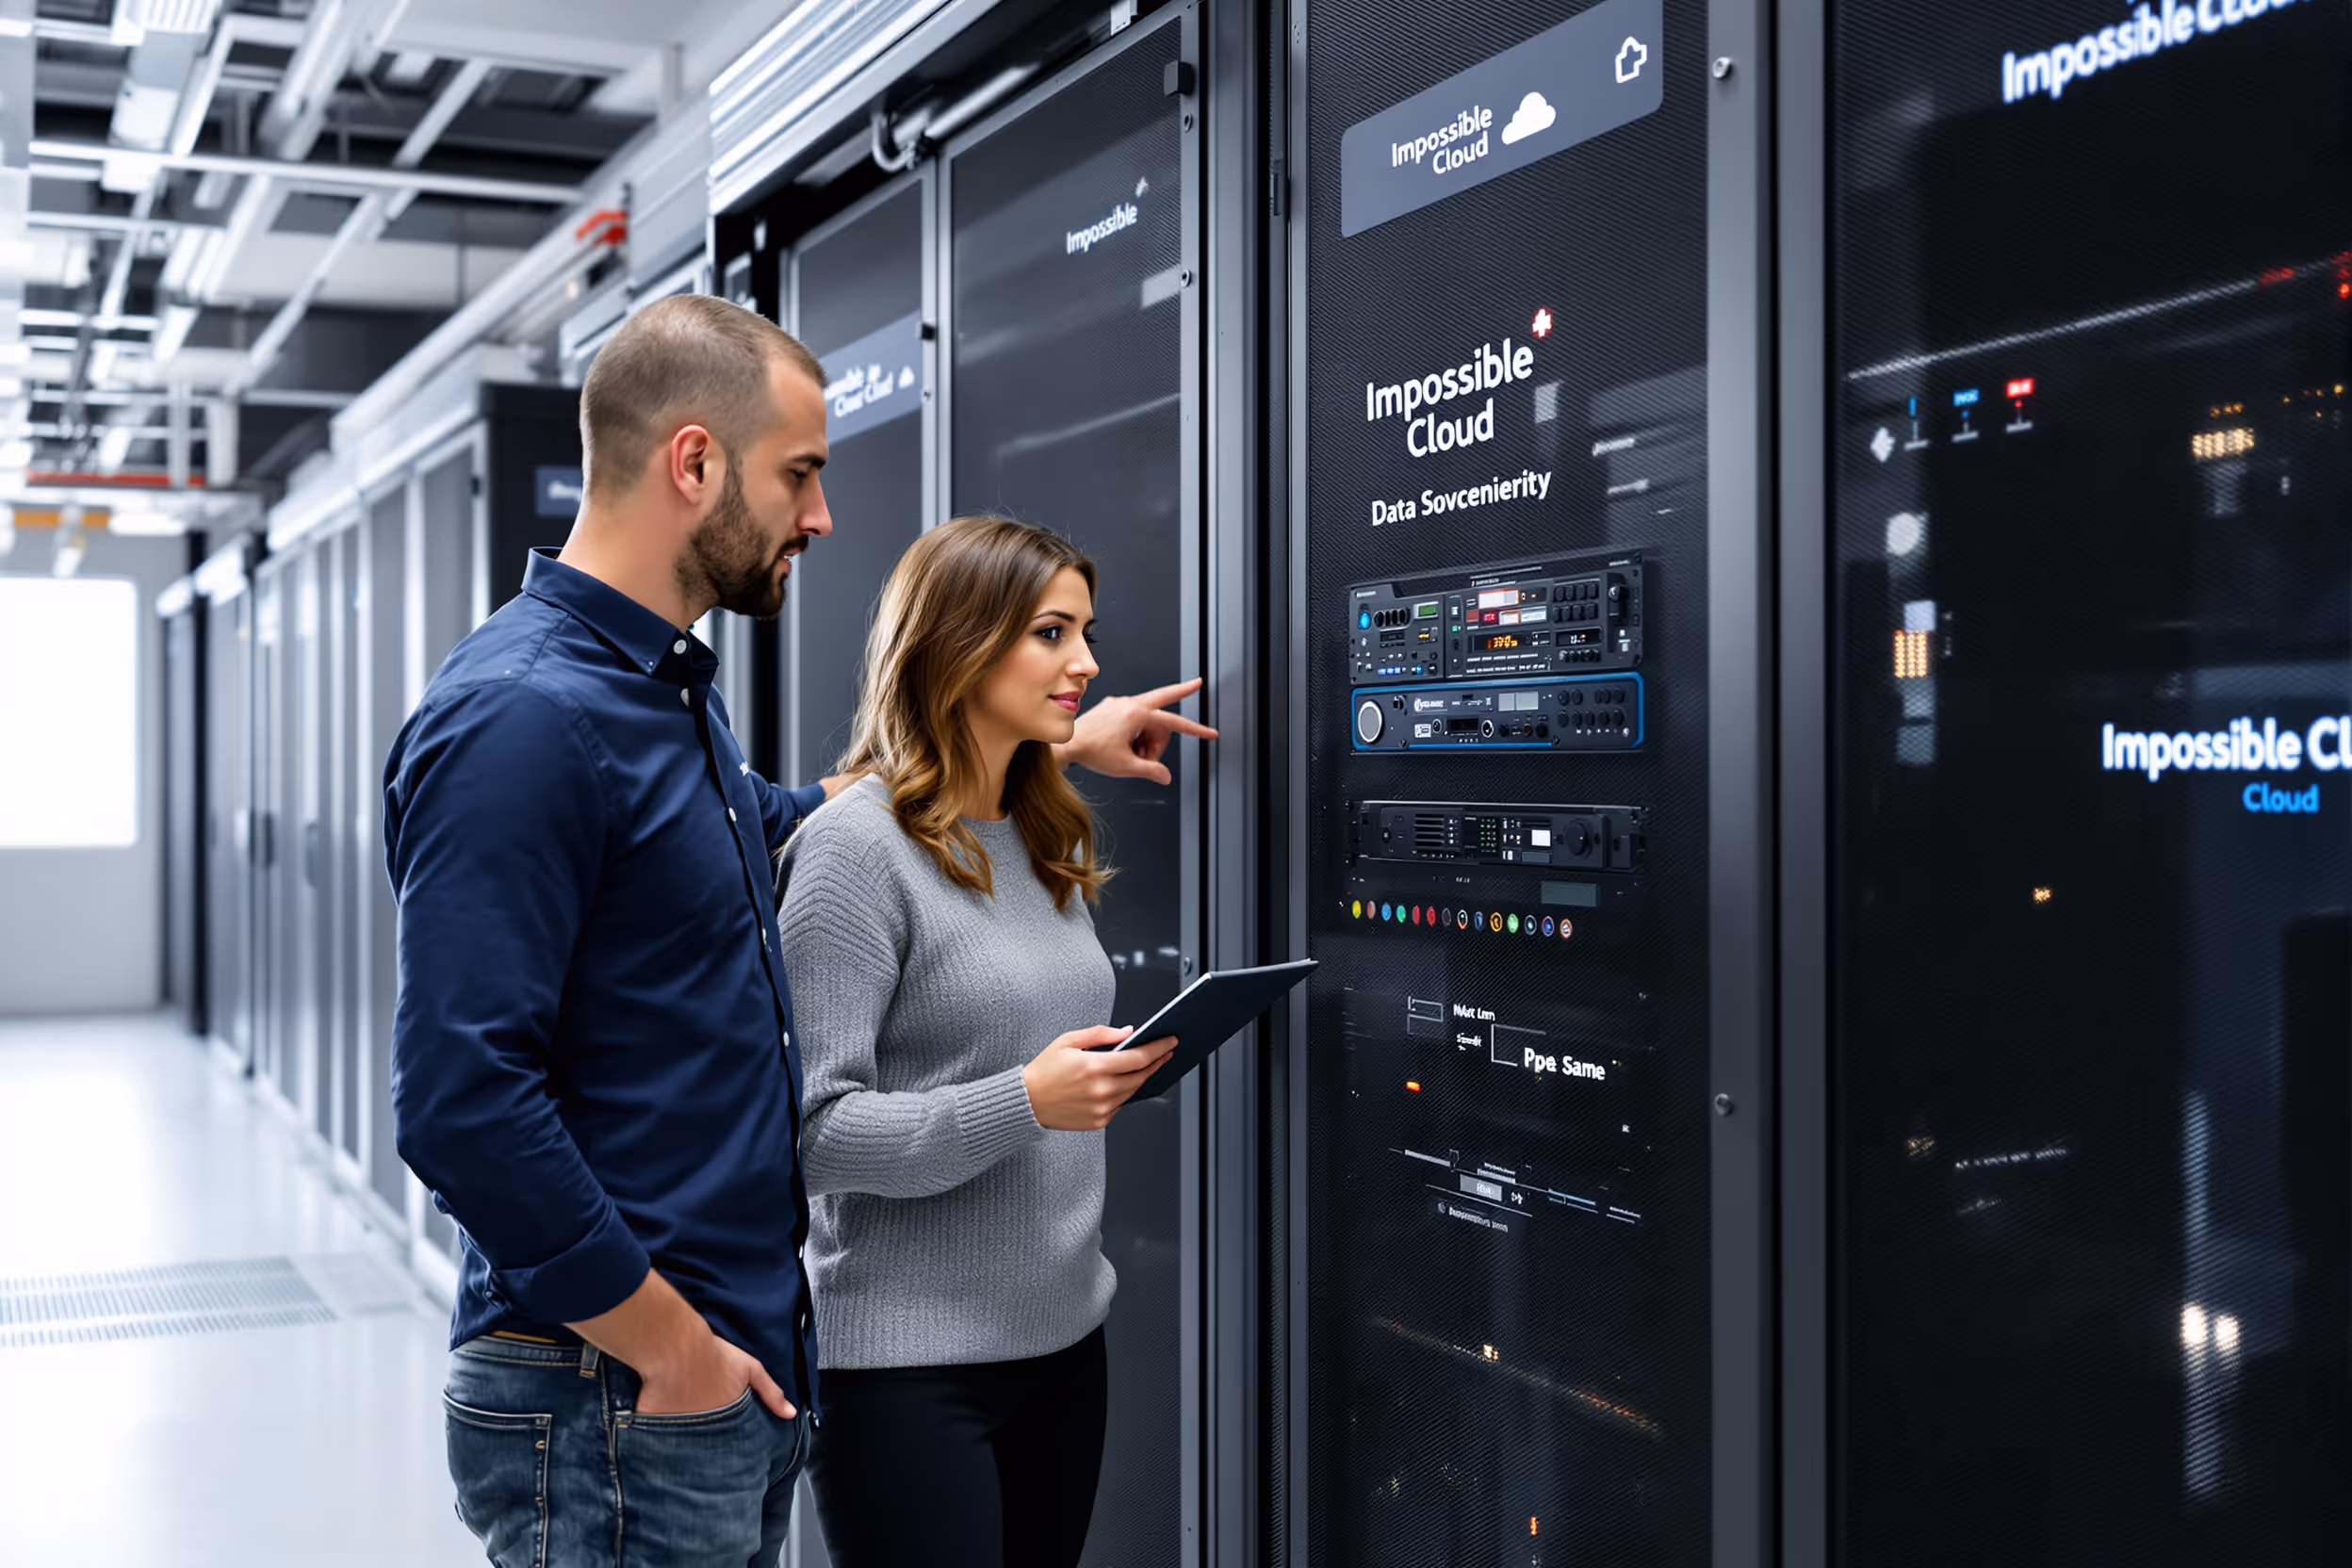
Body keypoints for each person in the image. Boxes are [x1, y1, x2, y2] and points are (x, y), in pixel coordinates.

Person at [382, 296, 1213, 1568]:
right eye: (802, 474)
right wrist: (674, 1351)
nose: (821, 518)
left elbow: (790, 817)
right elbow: (460, 1105)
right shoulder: (524, 716)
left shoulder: (658, 698)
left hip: (721, 1361)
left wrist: (1053, 737)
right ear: (695, 462)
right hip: (620, 1376)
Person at [776, 514, 1182, 1568]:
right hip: (908, 1373)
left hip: (1062, 1342)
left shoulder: (1041, 828)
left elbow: (1013, 1043)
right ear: (958, 642)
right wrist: (1027, 1100)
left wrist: (1094, 1074)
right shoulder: (850, 853)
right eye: (1052, 632)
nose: (1086, 662)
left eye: (1085, 631)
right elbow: (810, 1131)